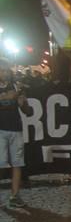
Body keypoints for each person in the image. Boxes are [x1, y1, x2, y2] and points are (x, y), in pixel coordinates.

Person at [0, 61, 35, 208]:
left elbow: (28, 112)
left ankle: (15, 195)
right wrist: (7, 97)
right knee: (0, 164)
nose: (5, 73)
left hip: (16, 129)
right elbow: (6, 99)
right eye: (2, 71)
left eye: (7, 71)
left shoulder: (16, 88)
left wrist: (23, 103)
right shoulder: (11, 90)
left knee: (17, 163)